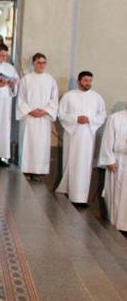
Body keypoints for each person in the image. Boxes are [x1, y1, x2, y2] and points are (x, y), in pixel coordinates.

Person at [57, 71, 107, 204]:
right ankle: (68, 192)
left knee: (84, 165)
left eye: (90, 80)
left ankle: (81, 198)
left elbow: (102, 115)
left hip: (88, 136)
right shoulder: (69, 96)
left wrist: (89, 120)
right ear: (78, 81)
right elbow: (61, 114)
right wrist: (75, 119)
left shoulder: (97, 97)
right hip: (73, 134)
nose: (88, 83)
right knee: (71, 161)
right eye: (85, 80)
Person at [16, 53, 59, 178]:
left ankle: (39, 171)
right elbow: (21, 99)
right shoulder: (26, 79)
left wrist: (45, 111)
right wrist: (30, 111)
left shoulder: (50, 80)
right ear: (33, 63)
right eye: (39, 62)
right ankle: (26, 169)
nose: (42, 65)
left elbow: (54, 99)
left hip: (43, 118)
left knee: (41, 145)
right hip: (29, 118)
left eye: (44, 63)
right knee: (28, 143)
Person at [99, 106, 127, 231]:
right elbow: (107, 140)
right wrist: (109, 160)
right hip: (118, 162)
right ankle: (116, 224)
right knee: (116, 194)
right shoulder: (115, 118)